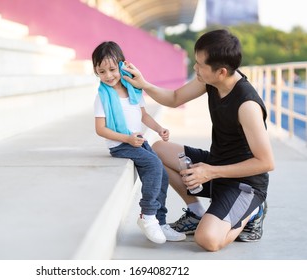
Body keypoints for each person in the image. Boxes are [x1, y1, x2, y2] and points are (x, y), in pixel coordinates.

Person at [122, 29, 275, 251]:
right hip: (215, 166)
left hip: (244, 183)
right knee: (157, 150)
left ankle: (253, 212)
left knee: (208, 240)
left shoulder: (247, 105)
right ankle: (196, 212)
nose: (195, 68)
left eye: (200, 65)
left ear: (221, 71)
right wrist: (144, 84)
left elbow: (266, 163)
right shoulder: (210, 81)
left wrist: (211, 172)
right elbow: (175, 98)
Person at [92, 41, 186, 244]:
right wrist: (126, 139)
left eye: (112, 69)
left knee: (161, 172)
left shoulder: (133, 89)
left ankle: (160, 221)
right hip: (120, 144)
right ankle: (147, 215)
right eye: (102, 71)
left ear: (122, 65)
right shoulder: (102, 97)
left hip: (136, 141)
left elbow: (143, 116)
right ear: (96, 72)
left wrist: (159, 128)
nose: (108, 75)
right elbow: (100, 129)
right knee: (153, 164)